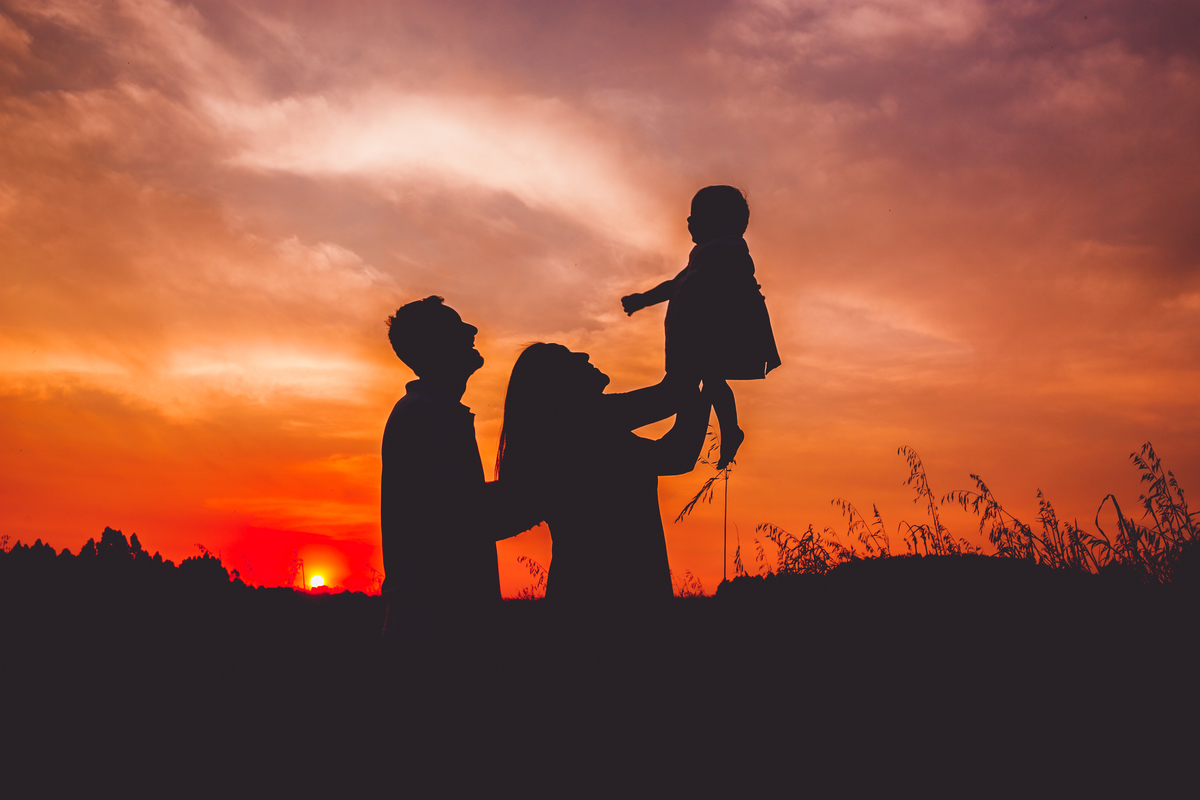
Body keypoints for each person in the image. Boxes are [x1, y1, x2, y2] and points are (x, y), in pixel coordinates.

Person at [495, 343, 711, 605]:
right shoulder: (586, 419)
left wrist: (706, 387)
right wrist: (698, 347)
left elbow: (676, 455)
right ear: (556, 386)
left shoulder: (588, 432)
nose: (583, 355)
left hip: (587, 589)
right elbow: (669, 399)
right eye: (567, 358)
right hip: (622, 591)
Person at [380, 296, 537, 637]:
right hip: (436, 625)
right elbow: (464, 518)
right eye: (456, 327)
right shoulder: (426, 416)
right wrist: (546, 490)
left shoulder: (434, 411)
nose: (472, 329)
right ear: (433, 345)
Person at [621, 185, 781, 469]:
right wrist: (644, 299)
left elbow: (737, 290)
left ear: (720, 221)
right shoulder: (703, 253)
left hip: (706, 335)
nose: (689, 221)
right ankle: (726, 431)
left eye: (697, 215)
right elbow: (676, 285)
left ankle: (728, 431)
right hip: (692, 336)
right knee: (700, 384)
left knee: (691, 385)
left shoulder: (730, 251)